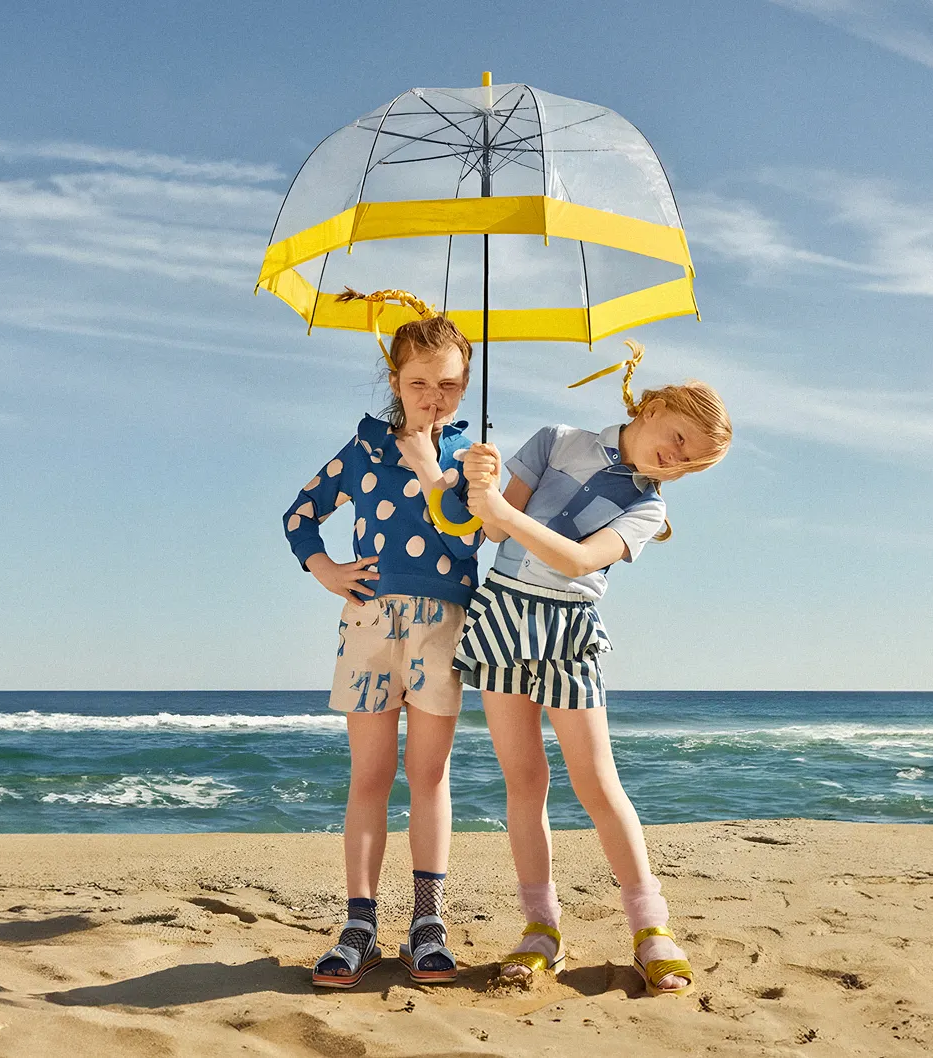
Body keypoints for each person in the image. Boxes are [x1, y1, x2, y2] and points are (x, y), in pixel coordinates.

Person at [454, 344, 732, 997]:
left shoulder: (649, 509)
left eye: (689, 462)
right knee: (524, 782)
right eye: (679, 439)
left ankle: (650, 928)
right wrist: (481, 486)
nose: (674, 460)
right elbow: (489, 532)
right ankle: (540, 927)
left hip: (568, 628)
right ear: (655, 406)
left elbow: (580, 561)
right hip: (502, 615)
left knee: (598, 785)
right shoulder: (556, 441)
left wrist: (503, 514)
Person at [281, 289, 483, 989]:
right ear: (395, 380)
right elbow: (300, 514)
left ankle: (428, 922)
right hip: (369, 625)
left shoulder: (472, 458)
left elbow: (469, 535)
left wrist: (432, 466)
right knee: (369, 776)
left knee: (428, 775)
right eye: (419, 382)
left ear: (465, 385)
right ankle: (359, 923)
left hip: (442, 627)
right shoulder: (365, 449)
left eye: (448, 384)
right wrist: (325, 570)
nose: (433, 396)